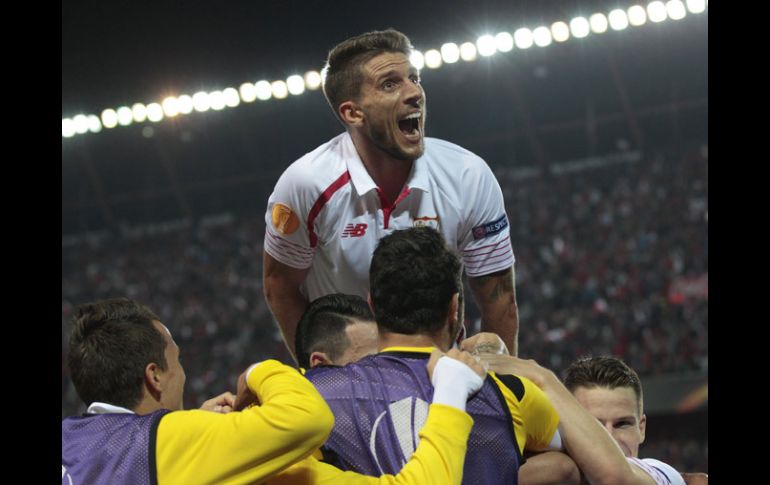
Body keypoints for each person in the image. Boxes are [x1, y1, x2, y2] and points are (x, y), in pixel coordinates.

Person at [263, 28, 520, 359]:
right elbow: (279, 287)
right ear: (352, 113)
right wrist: (319, 376)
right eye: (390, 83)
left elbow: (499, 298)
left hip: (439, 372)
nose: (415, 92)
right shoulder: (305, 184)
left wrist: (504, 398)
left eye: (415, 78)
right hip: (352, 376)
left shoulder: (468, 175)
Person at [62, 297, 484, 485]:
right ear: (154, 377)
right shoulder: (173, 440)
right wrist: (259, 370)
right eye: (178, 361)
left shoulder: (71, 439)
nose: (184, 375)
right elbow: (307, 417)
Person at [303, 227, 561, 485]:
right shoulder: (510, 392)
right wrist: (542, 376)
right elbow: (586, 461)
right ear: (454, 307)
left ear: (372, 305)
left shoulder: (313, 393)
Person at [478, 354, 698, 485]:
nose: (609, 438)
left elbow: (615, 478)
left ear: (641, 428)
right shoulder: (554, 469)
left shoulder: (661, 474)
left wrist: (542, 378)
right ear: (565, 426)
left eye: (622, 424)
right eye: (594, 425)